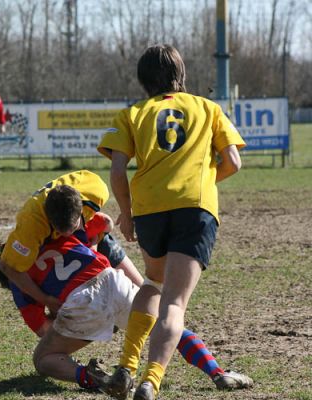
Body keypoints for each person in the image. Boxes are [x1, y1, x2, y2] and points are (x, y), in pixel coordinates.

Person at [94, 44, 245, 400]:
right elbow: (234, 162)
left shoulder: (133, 113)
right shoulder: (208, 108)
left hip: (150, 210)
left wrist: (126, 213)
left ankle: (126, 367)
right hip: (194, 208)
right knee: (174, 303)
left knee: (152, 284)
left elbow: (117, 170)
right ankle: (151, 382)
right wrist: (203, 183)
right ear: (182, 74)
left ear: (143, 80)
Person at [0, 183, 252, 393]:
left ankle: (99, 379)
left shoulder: (20, 281)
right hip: (111, 279)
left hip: (82, 302)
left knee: (43, 358)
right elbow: (104, 223)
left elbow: (44, 331)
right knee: (163, 321)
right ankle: (217, 372)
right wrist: (92, 245)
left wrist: (68, 319)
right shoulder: (55, 235)